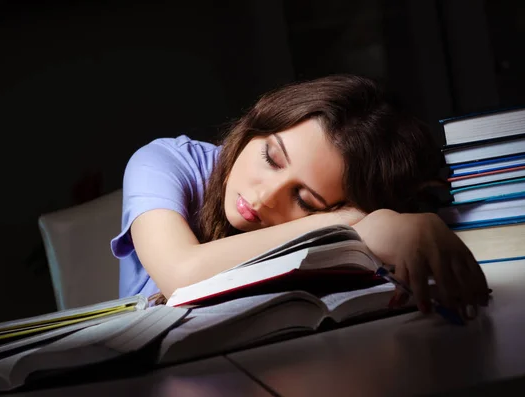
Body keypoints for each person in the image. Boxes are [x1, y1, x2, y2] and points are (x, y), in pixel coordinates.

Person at [111, 74, 490, 319]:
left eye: (305, 200)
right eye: (270, 157)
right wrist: (353, 223)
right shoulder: (163, 162)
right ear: (255, 127)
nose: (264, 197)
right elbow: (181, 274)